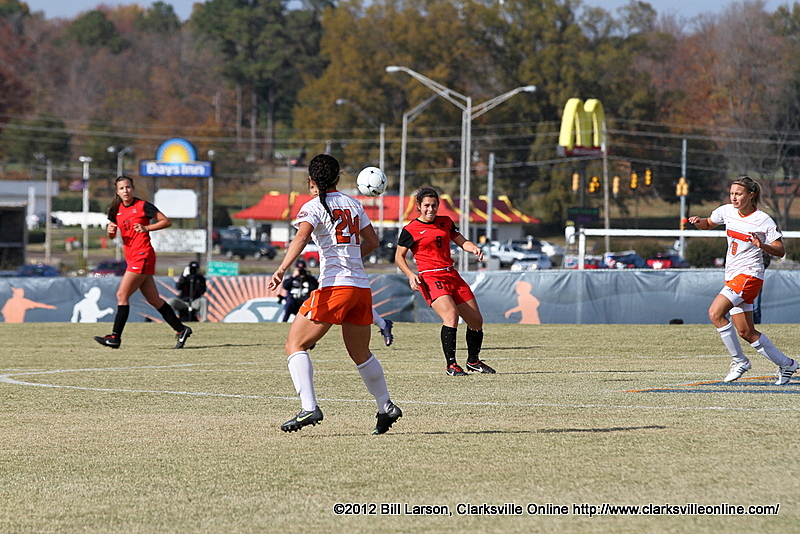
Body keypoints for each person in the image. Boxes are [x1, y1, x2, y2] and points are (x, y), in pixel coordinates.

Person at [268, 154, 402, 434]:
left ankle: (309, 408)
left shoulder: (313, 206)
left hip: (335, 287)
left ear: (311, 180)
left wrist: (281, 268)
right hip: (360, 288)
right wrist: (352, 257)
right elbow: (373, 242)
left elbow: (301, 238)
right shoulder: (354, 204)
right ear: (338, 178)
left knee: (295, 345)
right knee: (360, 353)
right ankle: (385, 406)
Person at [688, 176, 797, 385]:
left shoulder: (763, 220)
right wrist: (699, 222)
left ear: (750, 195)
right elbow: (708, 223)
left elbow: (780, 250)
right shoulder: (727, 211)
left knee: (715, 313)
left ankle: (740, 361)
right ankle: (787, 364)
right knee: (746, 332)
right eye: (731, 194)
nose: (734, 198)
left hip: (749, 275)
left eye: (738, 194)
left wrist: (761, 245)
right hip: (732, 275)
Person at [394, 187, 494, 376]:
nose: (430, 209)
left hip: (451, 275)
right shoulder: (410, 229)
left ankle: (473, 361)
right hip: (430, 278)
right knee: (451, 315)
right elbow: (399, 257)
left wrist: (473, 248)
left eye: (434, 205)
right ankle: (451, 365)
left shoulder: (445, 222)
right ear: (418, 206)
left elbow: (461, 241)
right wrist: (410, 274)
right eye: (426, 205)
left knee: (476, 321)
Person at [94, 175, 193, 349]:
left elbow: (166, 221)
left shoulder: (143, 206)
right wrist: (110, 231)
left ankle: (115, 337)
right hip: (131, 257)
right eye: (122, 188)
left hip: (143, 255)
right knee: (154, 299)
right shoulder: (115, 209)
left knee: (122, 295)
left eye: (128, 187)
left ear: (133, 188)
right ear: (117, 192)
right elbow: (112, 235)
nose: (126, 191)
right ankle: (181, 329)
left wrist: (146, 227)